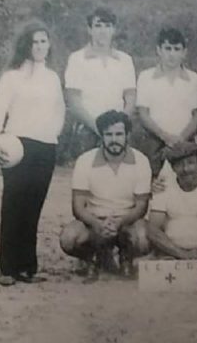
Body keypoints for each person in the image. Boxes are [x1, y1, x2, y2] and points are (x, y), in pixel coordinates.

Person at [0, 20, 65, 286]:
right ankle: (8, 267)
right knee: (13, 205)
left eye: (44, 41)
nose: (40, 46)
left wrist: (52, 133)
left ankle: (28, 267)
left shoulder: (53, 77)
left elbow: (59, 110)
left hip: (46, 146)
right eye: (34, 41)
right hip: (16, 145)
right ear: (25, 45)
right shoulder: (12, 76)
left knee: (33, 206)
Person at [59, 110, 151, 280]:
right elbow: (77, 207)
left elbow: (141, 206)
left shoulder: (141, 160)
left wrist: (120, 222)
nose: (114, 139)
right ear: (101, 136)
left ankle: (126, 256)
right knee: (68, 238)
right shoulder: (85, 161)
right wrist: (97, 224)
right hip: (94, 220)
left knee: (145, 239)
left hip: (127, 220)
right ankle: (95, 257)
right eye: (108, 135)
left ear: (127, 135)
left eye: (119, 134)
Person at [147, 142, 197, 291]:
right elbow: (153, 229)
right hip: (171, 251)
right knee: (164, 285)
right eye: (179, 165)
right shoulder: (164, 186)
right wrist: (180, 253)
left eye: (190, 163)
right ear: (172, 168)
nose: (185, 169)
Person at [63, 7, 136, 156]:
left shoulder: (125, 60)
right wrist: (97, 127)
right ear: (89, 29)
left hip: (118, 130)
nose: (102, 31)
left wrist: (118, 127)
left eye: (107, 26)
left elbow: (130, 98)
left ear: (113, 30)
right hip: (88, 129)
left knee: (119, 175)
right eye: (98, 26)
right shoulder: (77, 58)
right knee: (86, 175)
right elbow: (73, 101)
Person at [136, 28, 197, 176]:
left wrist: (180, 140)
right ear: (159, 50)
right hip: (155, 141)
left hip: (185, 142)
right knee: (155, 183)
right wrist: (164, 136)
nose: (171, 54)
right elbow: (143, 113)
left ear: (184, 52)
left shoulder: (194, 79)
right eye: (167, 48)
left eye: (176, 49)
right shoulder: (146, 77)